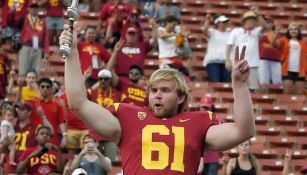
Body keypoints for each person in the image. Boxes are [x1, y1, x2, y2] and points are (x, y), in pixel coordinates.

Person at [60, 21, 255, 174]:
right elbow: (78, 103)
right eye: (153, 90)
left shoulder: (198, 123)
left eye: (164, 90)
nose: (157, 95)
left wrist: (239, 85)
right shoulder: (129, 119)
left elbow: (243, 131)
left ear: (180, 98)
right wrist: (72, 54)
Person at [226, 8, 271, 90]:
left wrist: (258, 15)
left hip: (252, 65)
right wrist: (227, 60)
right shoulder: (235, 31)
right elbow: (229, 45)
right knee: (238, 88)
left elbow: (266, 27)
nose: (254, 22)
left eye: (255, 20)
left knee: (253, 88)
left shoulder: (256, 32)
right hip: (238, 64)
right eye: (252, 20)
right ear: (245, 21)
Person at [4, 101, 53, 174]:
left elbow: (51, 132)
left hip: (27, 165)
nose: (19, 112)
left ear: (29, 112)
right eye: (18, 109)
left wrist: (42, 117)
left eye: (22, 109)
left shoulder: (35, 127)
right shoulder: (11, 127)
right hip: (12, 164)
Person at [106, 40, 147, 107]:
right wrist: (115, 52)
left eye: (136, 73)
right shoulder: (123, 84)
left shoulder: (146, 91)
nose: (133, 74)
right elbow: (108, 70)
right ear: (128, 74)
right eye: (131, 72)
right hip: (124, 113)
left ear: (141, 76)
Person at [29, 77, 66, 146]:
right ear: (39, 88)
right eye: (42, 87)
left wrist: (64, 136)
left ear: (51, 89)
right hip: (34, 141)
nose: (45, 88)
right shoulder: (32, 103)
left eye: (47, 87)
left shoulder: (57, 105)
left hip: (52, 140)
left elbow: (62, 121)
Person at [274, 22, 306, 94]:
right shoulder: (284, 40)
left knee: (300, 93)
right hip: (287, 70)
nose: (293, 31)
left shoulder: (303, 42)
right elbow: (274, 44)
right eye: (291, 29)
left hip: (300, 71)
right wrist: (276, 34)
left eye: (295, 29)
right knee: (286, 92)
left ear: (298, 31)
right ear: (288, 31)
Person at [18, 1, 49, 76]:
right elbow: (11, 21)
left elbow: (46, 38)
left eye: (36, 7)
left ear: (38, 9)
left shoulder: (42, 22)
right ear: (28, 8)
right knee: (23, 72)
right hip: (26, 47)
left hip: (38, 49)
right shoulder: (23, 19)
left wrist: (46, 52)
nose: (34, 9)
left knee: (36, 73)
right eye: (32, 7)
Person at [202, 14, 231, 82]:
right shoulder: (212, 32)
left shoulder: (230, 34)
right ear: (217, 23)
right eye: (223, 22)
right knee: (215, 82)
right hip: (213, 61)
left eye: (225, 22)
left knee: (225, 83)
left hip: (226, 62)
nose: (225, 23)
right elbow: (205, 31)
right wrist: (207, 21)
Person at [258, 16, 282, 92]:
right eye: (265, 22)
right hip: (262, 59)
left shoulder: (278, 33)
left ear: (272, 24)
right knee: (263, 81)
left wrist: (276, 33)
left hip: (276, 59)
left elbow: (277, 45)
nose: (266, 24)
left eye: (268, 22)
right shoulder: (258, 33)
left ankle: (276, 98)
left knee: (277, 81)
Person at [197, 96, 219, 175]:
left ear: (212, 108)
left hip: (212, 158)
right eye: (203, 107)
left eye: (207, 108)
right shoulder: (193, 120)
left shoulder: (218, 120)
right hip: (197, 157)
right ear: (199, 107)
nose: (205, 110)